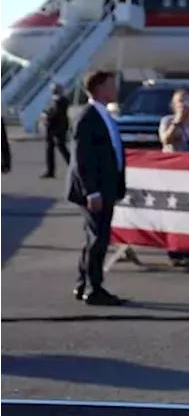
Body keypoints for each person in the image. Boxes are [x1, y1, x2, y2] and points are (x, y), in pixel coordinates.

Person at [66, 70, 128, 306]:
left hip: (106, 188)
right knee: (98, 240)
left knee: (94, 237)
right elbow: (82, 159)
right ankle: (94, 288)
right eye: (111, 85)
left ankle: (83, 284)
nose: (115, 89)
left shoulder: (105, 116)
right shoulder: (88, 117)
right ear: (100, 88)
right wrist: (92, 191)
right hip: (95, 191)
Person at [41, 83, 71, 179]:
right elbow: (50, 111)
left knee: (61, 147)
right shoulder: (54, 100)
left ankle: (73, 166)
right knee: (50, 149)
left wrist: (47, 116)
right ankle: (50, 171)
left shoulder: (61, 101)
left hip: (58, 128)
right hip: (52, 128)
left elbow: (56, 114)